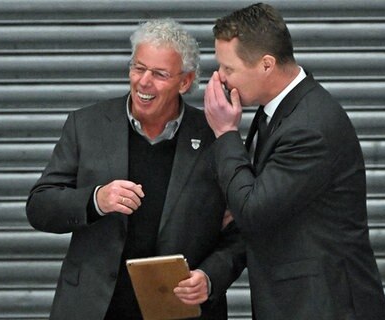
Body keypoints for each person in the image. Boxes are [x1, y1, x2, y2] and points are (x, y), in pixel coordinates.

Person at [27, 18, 245, 319]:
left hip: (178, 309)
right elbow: (40, 207)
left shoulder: (215, 136)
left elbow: (243, 231)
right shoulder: (87, 125)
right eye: (138, 67)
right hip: (94, 308)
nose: (144, 81)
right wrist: (96, 200)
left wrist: (210, 277)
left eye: (159, 74)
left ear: (185, 81)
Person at [203, 3, 385, 319]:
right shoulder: (278, 112)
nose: (220, 78)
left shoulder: (309, 126)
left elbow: (254, 212)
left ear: (266, 64)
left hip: (325, 306)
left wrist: (225, 132)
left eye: (228, 68)